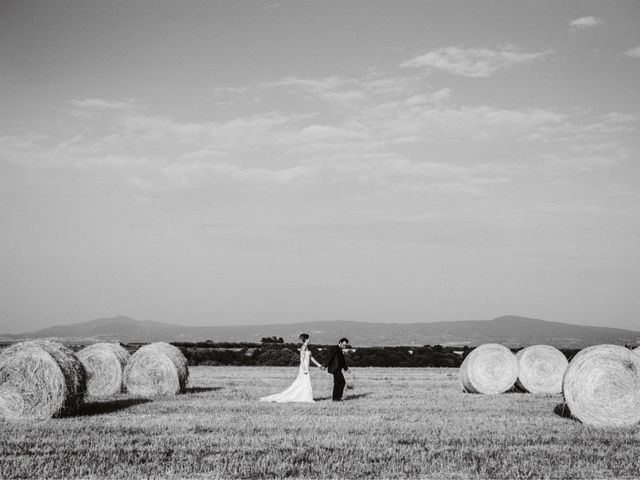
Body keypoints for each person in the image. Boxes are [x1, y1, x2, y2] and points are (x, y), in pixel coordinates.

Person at [260, 333, 323, 403]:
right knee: (304, 382)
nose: (310, 340)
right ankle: (305, 397)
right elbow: (301, 359)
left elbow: (311, 358)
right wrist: (304, 369)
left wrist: (319, 365)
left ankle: (305, 397)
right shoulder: (303, 347)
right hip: (304, 367)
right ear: (306, 339)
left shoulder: (307, 347)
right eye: (308, 338)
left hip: (306, 367)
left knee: (305, 382)